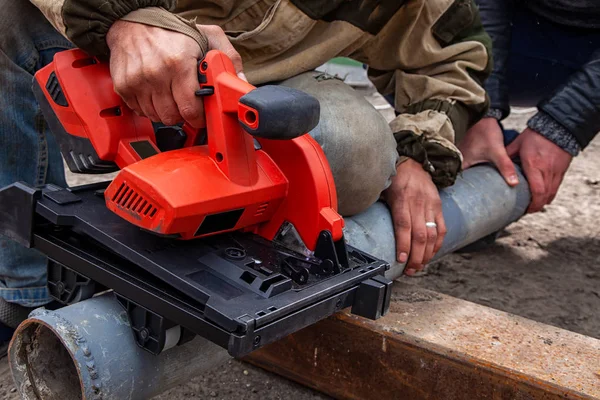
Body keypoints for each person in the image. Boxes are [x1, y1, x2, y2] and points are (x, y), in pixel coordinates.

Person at [0, 0, 492, 348]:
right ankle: (24, 293)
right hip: (126, 37)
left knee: (354, 145)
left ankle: (249, 222)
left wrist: (418, 155)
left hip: (271, 83)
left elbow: (453, 56)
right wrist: (121, 15)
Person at [459, 0, 600, 213]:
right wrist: (476, 106)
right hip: (523, 28)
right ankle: (486, 171)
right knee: (407, 21)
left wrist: (562, 125)